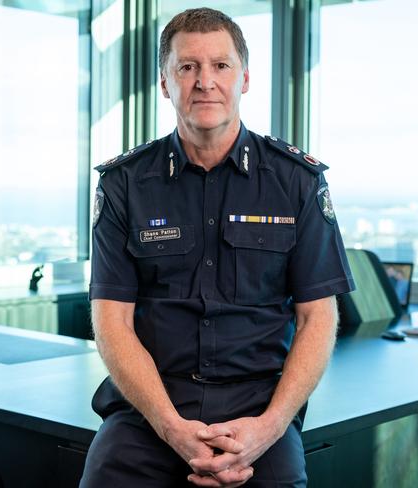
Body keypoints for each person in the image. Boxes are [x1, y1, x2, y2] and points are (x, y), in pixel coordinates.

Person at [81, 7, 354, 487]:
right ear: (165, 83)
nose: (204, 81)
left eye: (220, 66)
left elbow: (318, 316)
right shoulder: (124, 184)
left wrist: (268, 428)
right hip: (149, 409)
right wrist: (171, 428)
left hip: (258, 412)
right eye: (187, 67)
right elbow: (112, 322)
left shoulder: (297, 182)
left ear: (244, 78)